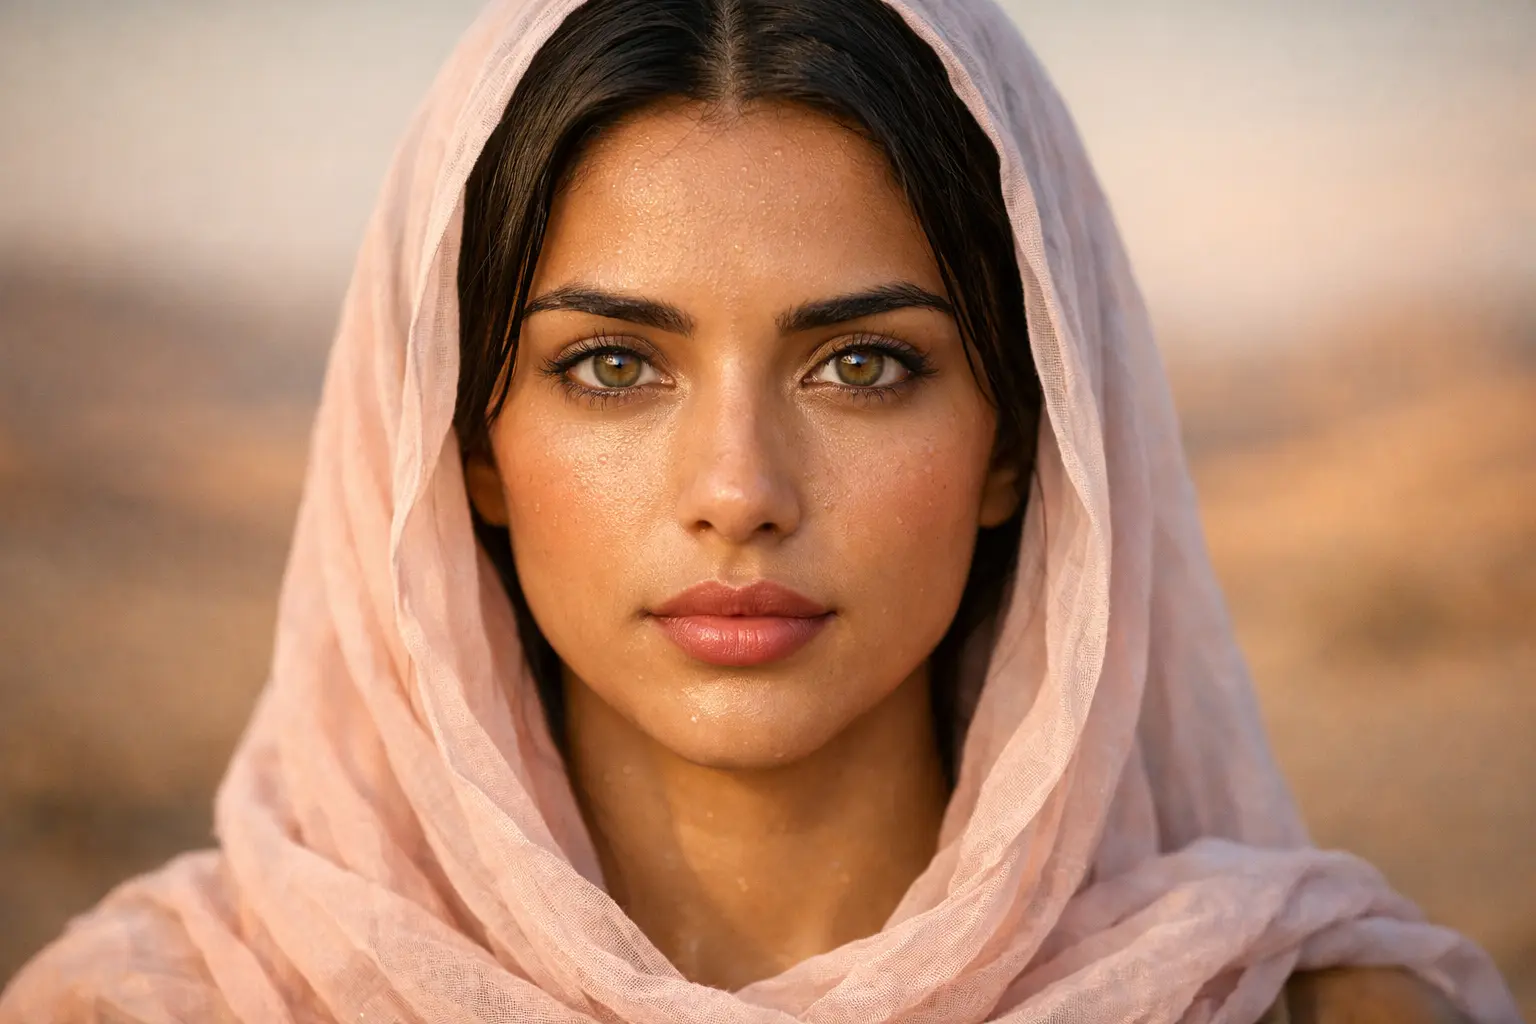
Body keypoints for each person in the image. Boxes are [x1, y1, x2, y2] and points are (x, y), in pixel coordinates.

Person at [0, 0, 1519, 1021]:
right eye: (611, 365)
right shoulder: (171, 1006)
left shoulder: (1307, 1011)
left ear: (1020, 443)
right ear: (460, 442)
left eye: (864, 363)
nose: (738, 491)